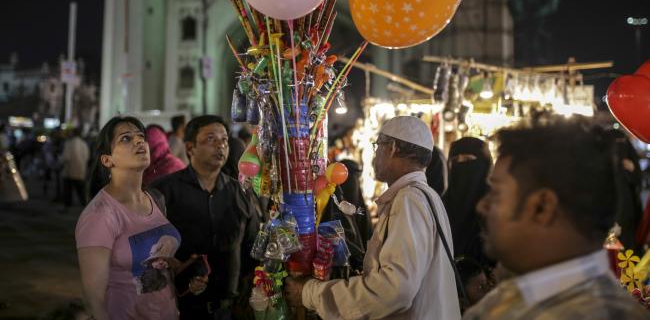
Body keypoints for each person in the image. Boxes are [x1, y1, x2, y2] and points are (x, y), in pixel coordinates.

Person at [464, 116, 648, 320]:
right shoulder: (524, 293)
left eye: (496, 193)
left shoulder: (597, 313)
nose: (483, 205)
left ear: (543, 207)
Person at [286, 115, 461, 319]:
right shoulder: (422, 196)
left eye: (377, 146)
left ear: (392, 148)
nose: (375, 155)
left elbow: (395, 289)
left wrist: (310, 293)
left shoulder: (409, 200)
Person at [149, 115, 259, 320]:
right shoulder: (164, 191)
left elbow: (252, 247)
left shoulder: (241, 193)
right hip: (179, 308)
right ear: (190, 147)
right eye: (211, 139)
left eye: (225, 140)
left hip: (228, 308)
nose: (221, 145)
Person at [75, 116, 183, 320]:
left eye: (141, 136)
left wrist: (183, 270)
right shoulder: (100, 215)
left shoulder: (155, 198)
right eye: (126, 138)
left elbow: (154, 260)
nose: (139, 141)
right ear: (107, 160)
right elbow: (93, 298)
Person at [444, 137, 494, 267]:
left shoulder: (494, 206)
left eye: (467, 160)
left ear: (484, 164)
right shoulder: (442, 204)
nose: (460, 165)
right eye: (455, 160)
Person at [62, 128, 90, 210]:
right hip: (81, 171)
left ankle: (67, 206)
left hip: (69, 171)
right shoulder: (84, 144)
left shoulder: (69, 143)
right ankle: (86, 207)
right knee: (81, 191)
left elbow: (66, 157)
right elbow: (87, 157)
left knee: (68, 190)